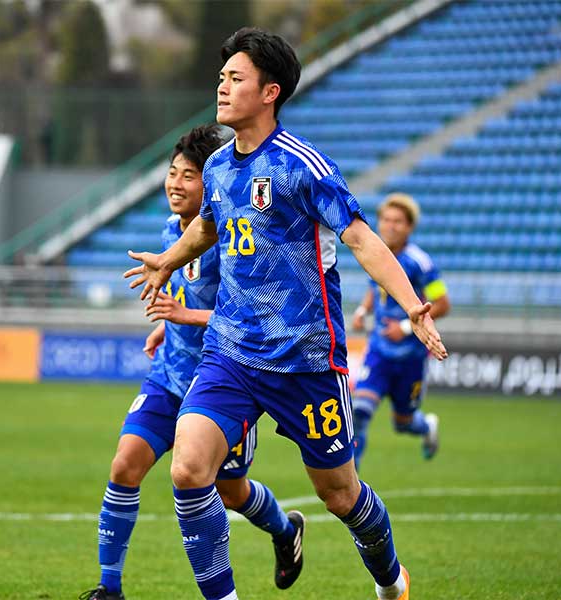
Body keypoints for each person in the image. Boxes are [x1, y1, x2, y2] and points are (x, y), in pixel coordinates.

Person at [125, 27, 446, 600]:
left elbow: (362, 238)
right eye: (221, 77)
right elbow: (207, 228)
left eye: (235, 78)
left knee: (339, 494)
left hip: (306, 361)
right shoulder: (220, 167)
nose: (222, 86)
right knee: (188, 470)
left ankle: (391, 579)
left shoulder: (304, 166)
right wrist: (167, 262)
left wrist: (411, 306)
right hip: (231, 352)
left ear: (270, 91)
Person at [80, 125, 304, 600]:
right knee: (125, 465)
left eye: (188, 176)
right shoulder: (170, 232)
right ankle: (109, 588)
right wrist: (169, 324)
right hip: (169, 375)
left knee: (229, 492)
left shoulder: (231, 239)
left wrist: (186, 315)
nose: (175, 184)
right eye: (172, 173)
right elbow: (190, 294)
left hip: (226, 379)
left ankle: (286, 531)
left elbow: (247, 309)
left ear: (213, 185)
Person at [350, 193, 450, 471]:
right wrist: (361, 311)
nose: (390, 226)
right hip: (379, 351)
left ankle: (426, 425)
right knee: (360, 411)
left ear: (409, 227)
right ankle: (352, 486)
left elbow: (442, 303)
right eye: (385, 219)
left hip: (410, 357)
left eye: (398, 221)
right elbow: (376, 289)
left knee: (403, 423)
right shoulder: (377, 253)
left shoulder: (421, 263)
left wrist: (405, 327)